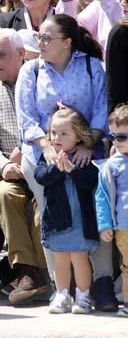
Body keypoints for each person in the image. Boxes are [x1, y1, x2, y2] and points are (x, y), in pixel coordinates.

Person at [15, 14, 117, 312]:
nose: (40, 43)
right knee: (52, 218)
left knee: (96, 215)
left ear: (67, 42)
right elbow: (27, 117)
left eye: (47, 38)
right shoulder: (31, 71)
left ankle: (100, 283)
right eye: (39, 37)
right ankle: (62, 289)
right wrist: (46, 146)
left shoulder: (90, 67)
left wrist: (88, 142)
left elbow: (101, 108)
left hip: (87, 154)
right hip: (43, 156)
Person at [0, 28, 51, 305]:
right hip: (12, 170)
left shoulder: (41, 82)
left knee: (38, 202)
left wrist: (31, 156)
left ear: (21, 55)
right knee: (6, 193)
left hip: (44, 164)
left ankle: (38, 272)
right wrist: (4, 165)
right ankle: (28, 270)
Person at [35, 107, 100, 314]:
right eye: (54, 132)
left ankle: (83, 295)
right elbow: (40, 176)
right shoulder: (49, 157)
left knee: (79, 257)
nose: (57, 138)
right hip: (57, 219)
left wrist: (72, 170)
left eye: (64, 133)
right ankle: (62, 294)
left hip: (80, 218)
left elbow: (90, 182)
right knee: (60, 257)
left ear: (79, 137)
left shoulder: (83, 158)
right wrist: (57, 168)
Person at [95, 104, 128, 318]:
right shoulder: (111, 165)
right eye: (113, 136)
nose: (116, 141)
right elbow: (102, 197)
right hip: (124, 226)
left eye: (122, 137)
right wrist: (105, 224)